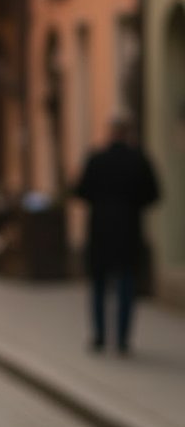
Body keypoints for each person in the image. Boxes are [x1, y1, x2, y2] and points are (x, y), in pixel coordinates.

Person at [73, 111, 161, 355]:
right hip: (128, 231)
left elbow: (81, 191)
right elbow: (154, 194)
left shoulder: (96, 159)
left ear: (110, 133)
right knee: (125, 284)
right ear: (128, 133)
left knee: (99, 285)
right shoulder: (138, 160)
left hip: (100, 230)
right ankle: (122, 339)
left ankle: (100, 336)